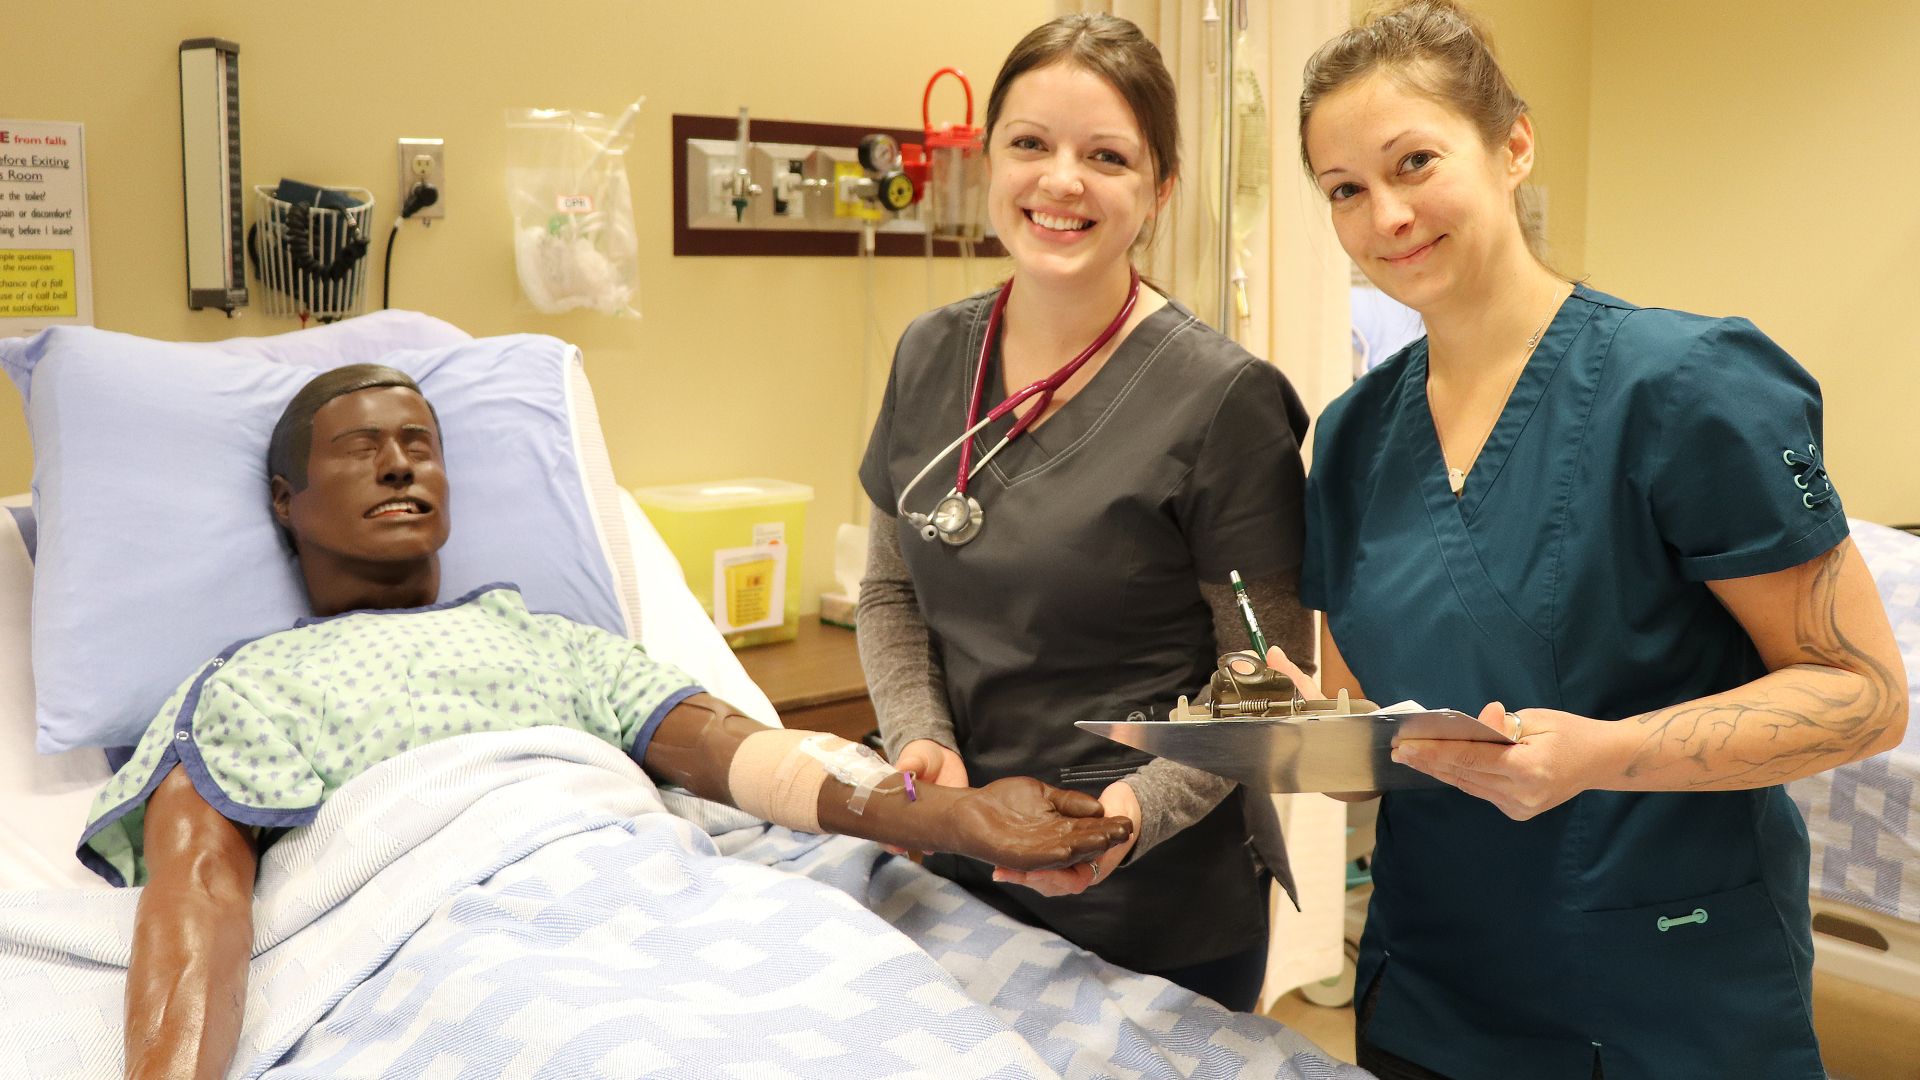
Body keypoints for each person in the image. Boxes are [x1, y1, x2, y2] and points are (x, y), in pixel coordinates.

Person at [81, 365, 1134, 1080]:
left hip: (656, 893)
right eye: (362, 449)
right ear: (283, 498)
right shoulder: (249, 684)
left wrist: (947, 817)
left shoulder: (550, 642)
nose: (402, 464)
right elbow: (200, 899)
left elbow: (749, 757)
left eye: (420, 443)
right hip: (459, 936)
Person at [1281, 3, 1909, 1077]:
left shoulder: (1688, 388)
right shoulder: (1348, 441)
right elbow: (1371, 731)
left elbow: (1862, 693)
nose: (1385, 215)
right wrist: (1304, 739)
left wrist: (1607, 755)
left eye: (1414, 162)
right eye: (1345, 189)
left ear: (1513, 145)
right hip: (1434, 989)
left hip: (1664, 994)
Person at [856, 13, 1312, 1012]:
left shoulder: (1221, 401)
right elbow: (890, 590)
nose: (1060, 181)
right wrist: (917, 740)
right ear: (989, 163)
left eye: (1105, 156)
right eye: (1030, 144)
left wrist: (1135, 813)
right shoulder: (930, 354)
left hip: (1155, 909)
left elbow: (1260, 672)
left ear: (1158, 192)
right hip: (956, 864)